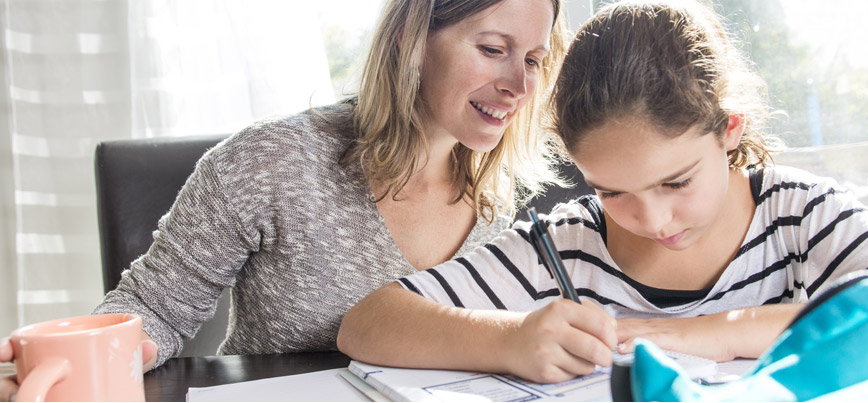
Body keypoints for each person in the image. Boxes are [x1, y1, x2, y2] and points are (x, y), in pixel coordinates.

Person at [337, 0, 868, 384]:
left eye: (676, 181)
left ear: (728, 130)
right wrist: (510, 339)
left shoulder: (798, 214)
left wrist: (705, 333)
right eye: (612, 190)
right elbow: (366, 325)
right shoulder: (568, 243)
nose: (651, 218)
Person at [1, 0, 569, 399]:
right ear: (411, 39)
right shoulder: (269, 161)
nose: (518, 87)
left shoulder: (510, 199)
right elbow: (154, 307)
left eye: (534, 61)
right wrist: (73, 363)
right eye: (495, 49)